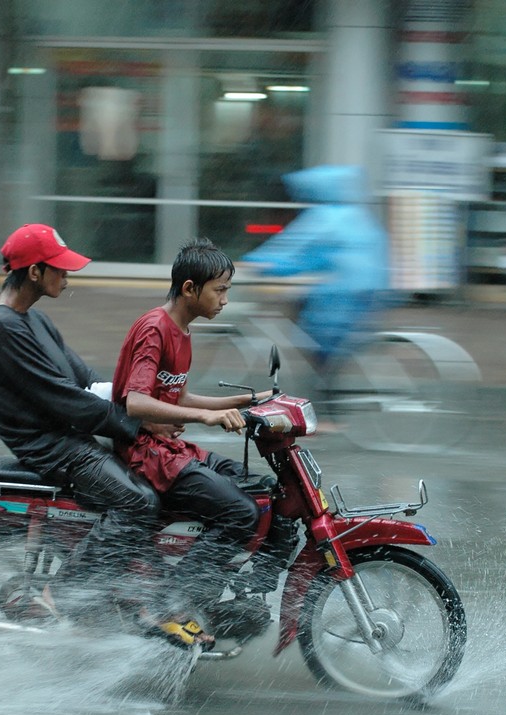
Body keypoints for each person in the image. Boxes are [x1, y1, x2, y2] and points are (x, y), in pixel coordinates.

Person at [0, 222, 160, 619]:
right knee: (138, 504)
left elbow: (87, 381)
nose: (67, 274)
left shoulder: (35, 321)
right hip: (55, 449)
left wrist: (148, 401)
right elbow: (66, 401)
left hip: (72, 437)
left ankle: (130, 591)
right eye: (58, 267)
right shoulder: (2, 329)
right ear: (35, 272)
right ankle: (61, 594)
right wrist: (136, 425)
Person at [112, 236, 273, 644]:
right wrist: (206, 416)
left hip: (172, 448)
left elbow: (177, 397)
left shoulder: (181, 330)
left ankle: (230, 596)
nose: (224, 300)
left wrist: (248, 400)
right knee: (239, 513)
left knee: (263, 491)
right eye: (219, 290)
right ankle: (169, 603)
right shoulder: (155, 329)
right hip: (145, 453)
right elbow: (136, 402)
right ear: (189, 289)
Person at [243, 164, 390, 414]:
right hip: (373, 290)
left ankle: (328, 411)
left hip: (342, 294)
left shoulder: (323, 218)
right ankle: (331, 395)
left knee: (316, 341)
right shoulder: (359, 216)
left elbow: (294, 252)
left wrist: (256, 263)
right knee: (334, 344)